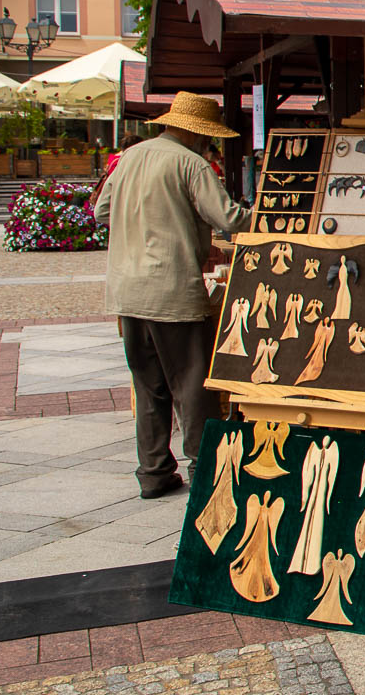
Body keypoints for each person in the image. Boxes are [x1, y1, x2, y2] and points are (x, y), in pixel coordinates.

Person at [93, 93, 249, 499]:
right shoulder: (191, 163)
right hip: (171, 289)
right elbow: (229, 217)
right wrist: (275, 215)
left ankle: (154, 472)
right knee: (191, 384)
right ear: (198, 133)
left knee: (149, 386)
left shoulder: (130, 156)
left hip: (128, 290)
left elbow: (102, 212)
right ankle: (203, 466)